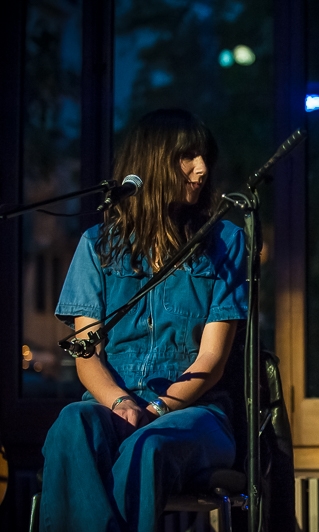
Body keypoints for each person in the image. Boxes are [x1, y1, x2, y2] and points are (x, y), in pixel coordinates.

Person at [40, 108, 249, 531]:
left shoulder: (225, 241)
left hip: (193, 414)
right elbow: (87, 355)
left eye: (205, 156)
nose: (202, 168)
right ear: (153, 161)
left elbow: (211, 362)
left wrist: (157, 408)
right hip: (113, 406)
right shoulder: (97, 245)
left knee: (149, 446)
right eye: (187, 156)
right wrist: (120, 402)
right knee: (69, 426)